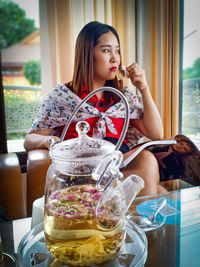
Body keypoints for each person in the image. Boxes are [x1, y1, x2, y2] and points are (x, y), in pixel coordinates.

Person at [24, 21, 166, 196]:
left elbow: (156, 133)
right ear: (87, 54)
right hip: (81, 173)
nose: (115, 58)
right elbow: (29, 139)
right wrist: (49, 141)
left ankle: (136, 218)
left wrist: (144, 88)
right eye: (106, 50)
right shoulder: (63, 96)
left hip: (119, 168)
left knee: (147, 160)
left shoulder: (122, 97)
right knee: (158, 190)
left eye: (117, 50)